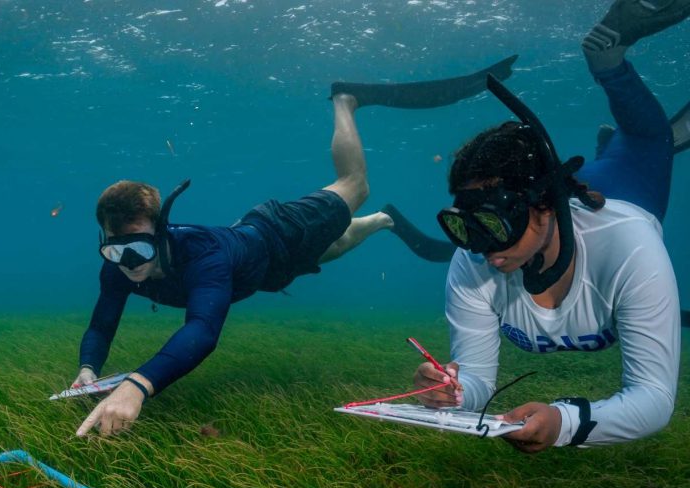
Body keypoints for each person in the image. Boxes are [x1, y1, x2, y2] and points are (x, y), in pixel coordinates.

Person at [72, 58, 520, 437]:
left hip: (280, 230)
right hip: (266, 271)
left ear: (161, 233)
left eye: (138, 250)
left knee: (355, 185)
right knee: (335, 245)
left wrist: (137, 385)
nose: (128, 265)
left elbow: (203, 330)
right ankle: (384, 220)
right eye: (116, 252)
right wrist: (89, 369)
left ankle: (345, 100)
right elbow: (102, 322)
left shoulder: (203, 255)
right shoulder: (117, 266)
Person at [413, 0, 689, 452]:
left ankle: (608, 61)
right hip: (568, 194)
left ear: (544, 206)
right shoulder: (473, 260)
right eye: (468, 225)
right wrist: (453, 391)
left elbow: (654, 399)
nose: (482, 247)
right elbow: (476, 379)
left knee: (651, 141)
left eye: (495, 223)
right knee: (618, 154)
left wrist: (563, 422)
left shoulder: (631, 246)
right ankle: (608, 147)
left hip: (627, 192)